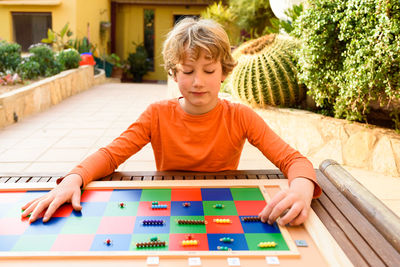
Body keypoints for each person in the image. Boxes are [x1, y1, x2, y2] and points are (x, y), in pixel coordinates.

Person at [22, 17, 321, 226]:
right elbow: (111, 155)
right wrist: (73, 179)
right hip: (169, 209)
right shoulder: (156, 114)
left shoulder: (240, 116)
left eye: (208, 70)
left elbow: (294, 160)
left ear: (224, 72)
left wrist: (301, 189)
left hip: (225, 207)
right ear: (174, 74)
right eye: (188, 71)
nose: (198, 82)